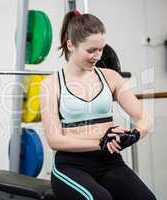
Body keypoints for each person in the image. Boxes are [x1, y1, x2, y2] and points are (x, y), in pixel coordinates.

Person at [40, 11, 156, 200]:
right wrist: (100, 142)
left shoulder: (110, 77)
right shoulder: (51, 84)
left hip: (110, 163)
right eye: (91, 50)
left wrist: (134, 135)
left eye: (101, 49)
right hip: (71, 166)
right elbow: (55, 140)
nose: (97, 55)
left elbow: (145, 117)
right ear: (70, 45)